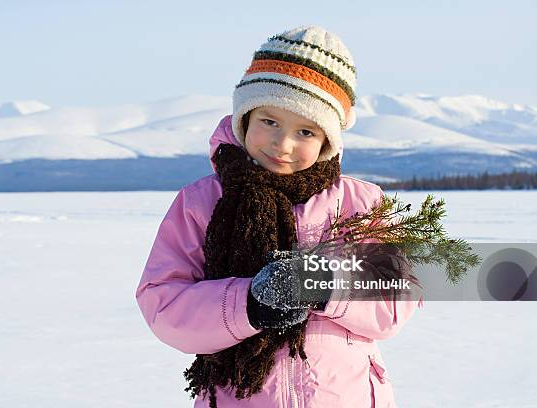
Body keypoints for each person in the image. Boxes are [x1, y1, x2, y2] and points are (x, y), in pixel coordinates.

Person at [136, 25, 424, 408]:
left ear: (327, 141)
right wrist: (248, 304)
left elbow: (397, 300)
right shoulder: (202, 203)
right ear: (245, 117)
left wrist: (328, 284)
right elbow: (164, 303)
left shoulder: (360, 203)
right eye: (269, 121)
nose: (282, 143)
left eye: (305, 131)